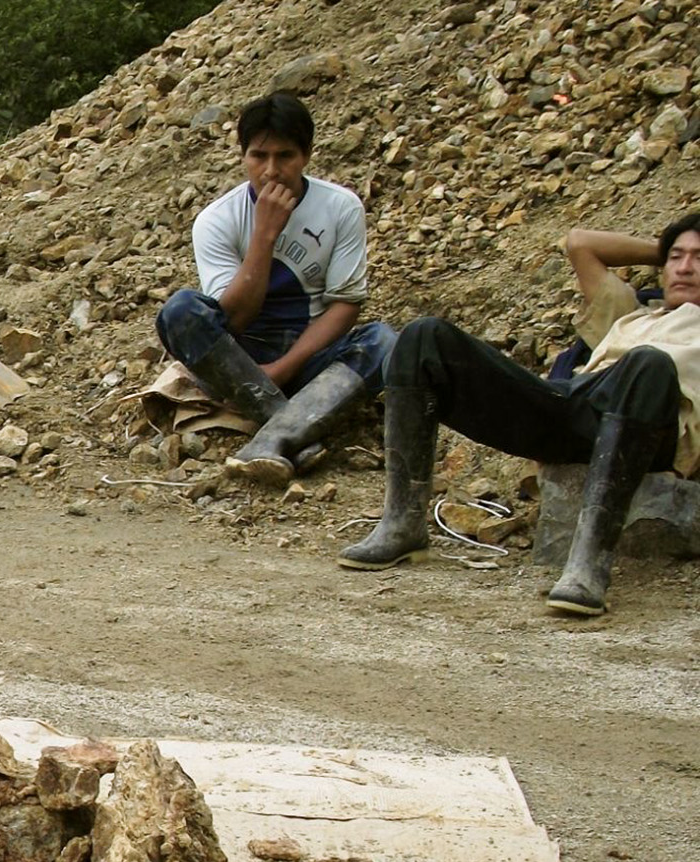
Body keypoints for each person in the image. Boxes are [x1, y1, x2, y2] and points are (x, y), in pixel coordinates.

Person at [339, 213, 700, 617]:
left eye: (698, 257)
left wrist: (678, 251)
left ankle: (588, 563)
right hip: (580, 406)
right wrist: (666, 245)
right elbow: (580, 242)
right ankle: (402, 523)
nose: (684, 267)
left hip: (652, 427)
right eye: (676, 257)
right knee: (424, 336)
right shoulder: (631, 313)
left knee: (648, 364)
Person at [155, 92, 396, 486]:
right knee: (180, 311)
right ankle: (288, 429)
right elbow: (232, 320)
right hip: (237, 365)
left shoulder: (341, 208)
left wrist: (283, 370)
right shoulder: (217, 220)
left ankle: (272, 431)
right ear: (243, 156)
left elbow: (344, 306)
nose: (271, 170)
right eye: (258, 156)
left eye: (284, 156)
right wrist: (265, 235)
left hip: (309, 359)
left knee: (384, 341)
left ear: (306, 155)